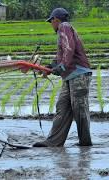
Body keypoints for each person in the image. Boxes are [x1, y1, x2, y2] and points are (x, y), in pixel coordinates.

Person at [33, 8, 93, 147]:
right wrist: (50, 67)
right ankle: (53, 141)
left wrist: (61, 67)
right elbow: (61, 55)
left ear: (56, 19)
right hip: (69, 76)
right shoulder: (64, 30)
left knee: (79, 109)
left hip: (79, 74)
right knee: (62, 107)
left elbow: (69, 49)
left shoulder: (64, 27)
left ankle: (85, 143)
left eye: (51, 21)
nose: (51, 24)